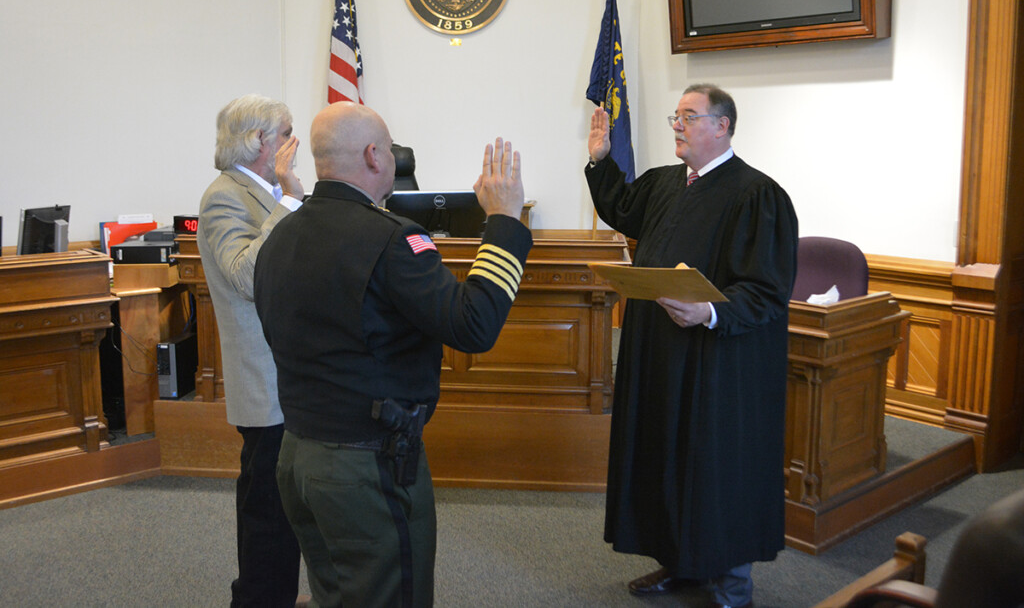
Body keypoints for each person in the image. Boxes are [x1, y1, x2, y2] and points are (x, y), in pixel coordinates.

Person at [252, 101, 532, 608]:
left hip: (297, 456)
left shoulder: (279, 236)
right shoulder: (392, 239)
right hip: (365, 468)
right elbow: (473, 325)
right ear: (375, 156)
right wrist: (506, 222)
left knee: (335, 593)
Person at [585, 84, 798, 608]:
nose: (676, 125)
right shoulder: (664, 182)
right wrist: (600, 162)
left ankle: (731, 585)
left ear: (722, 125)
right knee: (665, 455)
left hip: (718, 361)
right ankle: (678, 564)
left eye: (688, 116)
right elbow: (621, 208)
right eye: (674, 117)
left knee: (713, 465)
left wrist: (709, 311)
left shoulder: (756, 194)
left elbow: (767, 288)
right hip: (660, 353)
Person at [197, 94, 304, 607]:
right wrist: (288, 202)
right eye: (287, 131)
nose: (295, 141)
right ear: (260, 140)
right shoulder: (224, 196)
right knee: (267, 510)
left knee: (292, 506)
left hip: (297, 375)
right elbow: (245, 274)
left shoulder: (270, 191)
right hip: (265, 382)